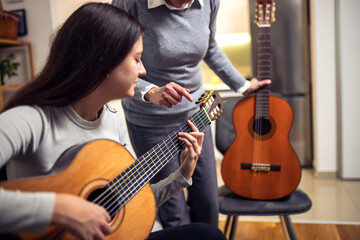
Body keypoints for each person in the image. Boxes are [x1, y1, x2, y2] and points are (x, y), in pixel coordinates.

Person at [0, 3, 227, 240]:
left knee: (208, 234)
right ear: (102, 61)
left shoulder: (113, 122)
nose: (143, 71)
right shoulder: (31, 119)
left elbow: (128, 198)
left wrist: (181, 175)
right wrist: (62, 210)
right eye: (137, 59)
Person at [112, 0, 272, 229]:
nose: (187, 3)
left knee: (207, 205)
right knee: (174, 214)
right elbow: (115, 60)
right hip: (151, 122)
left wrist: (242, 85)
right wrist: (150, 91)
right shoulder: (130, 3)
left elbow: (211, 47)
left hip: (197, 116)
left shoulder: (209, 2)